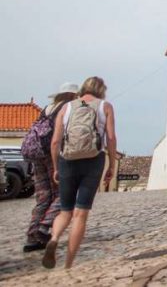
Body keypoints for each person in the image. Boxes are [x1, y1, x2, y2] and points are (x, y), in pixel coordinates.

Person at [42, 77, 117, 270]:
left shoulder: (67, 108)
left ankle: (55, 238)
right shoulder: (105, 106)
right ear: (102, 90)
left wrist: (56, 167)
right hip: (93, 160)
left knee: (65, 211)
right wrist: (111, 166)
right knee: (81, 214)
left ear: (83, 89)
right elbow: (110, 137)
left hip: (67, 161)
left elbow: (55, 141)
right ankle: (68, 264)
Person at [23, 82, 79, 253]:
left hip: (36, 154)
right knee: (64, 194)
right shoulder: (68, 109)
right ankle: (44, 227)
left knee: (43, 196)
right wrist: (57, 166)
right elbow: (56, 140)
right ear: (73, 95)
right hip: (52, 154)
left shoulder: (47, 109)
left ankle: (32, 237)